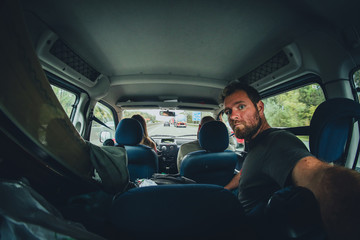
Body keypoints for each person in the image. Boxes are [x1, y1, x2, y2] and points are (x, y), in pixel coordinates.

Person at [221, 81, 360, 240]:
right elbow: (245, 174)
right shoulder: (257, 145)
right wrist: (224, 190)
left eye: (240, 107)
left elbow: (316, 174)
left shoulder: (277, 142)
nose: (232, 116)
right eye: (228, 111)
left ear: (259, 108)